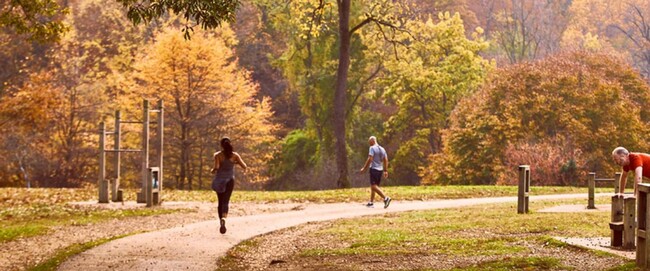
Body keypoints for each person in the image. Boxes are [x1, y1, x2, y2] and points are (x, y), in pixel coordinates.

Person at [211, 137, 247, 234]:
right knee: (226, 201)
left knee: (220, 202)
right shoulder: (235, 155)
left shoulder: (218, 155)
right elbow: (244, 166)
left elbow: (217, 167)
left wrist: (212, 170)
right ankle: (224, 217)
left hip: (219, 180)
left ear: (221, 145)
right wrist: (234, 163)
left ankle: (221, 223)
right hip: (230, 180)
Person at [359, 136, 391, 208]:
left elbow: (370, 158)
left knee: (374, 186)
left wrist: (364, 168)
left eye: (369, 142)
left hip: (374, 169)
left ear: (372, 141)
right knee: (374, 186)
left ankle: (386, 198)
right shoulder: (382, 149)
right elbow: (386, 160)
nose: (369, 144)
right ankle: (371, 202)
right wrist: (385, 170)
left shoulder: (372, 148)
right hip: (380, 169)